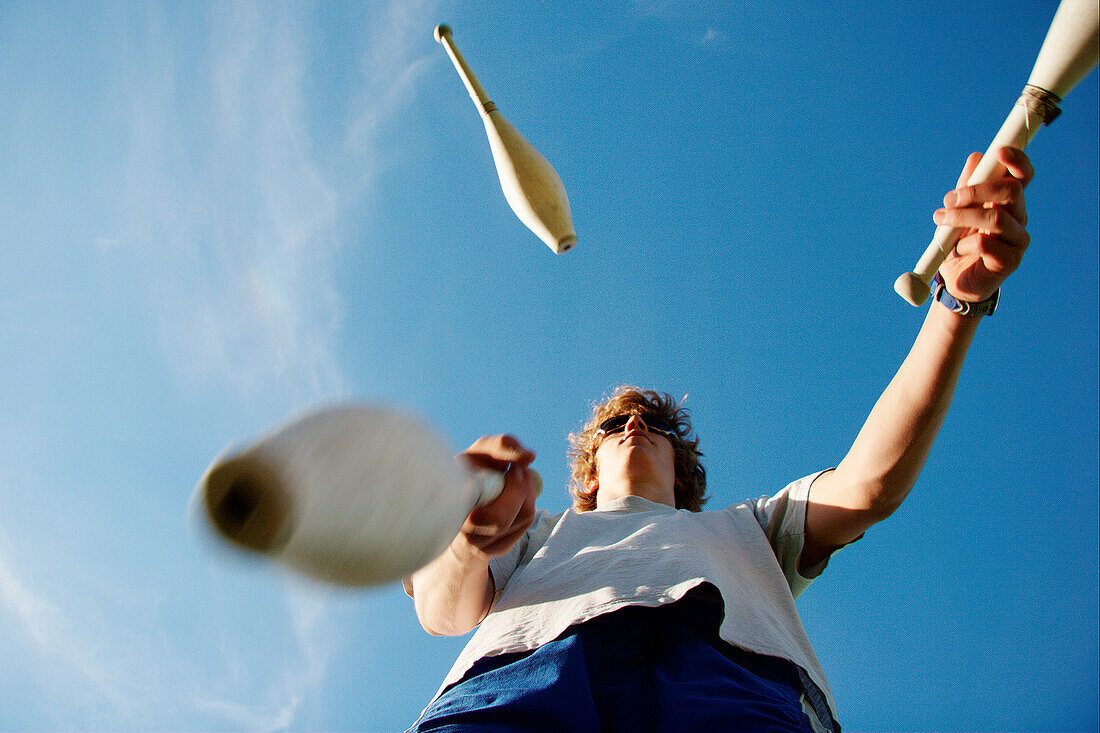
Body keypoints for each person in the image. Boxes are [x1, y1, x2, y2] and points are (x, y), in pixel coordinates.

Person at [403, 147, 1034, 732]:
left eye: (654, 425)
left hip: (738, 684)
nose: (634, 426)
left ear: (682, 469)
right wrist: (465, 538)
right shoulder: (535, 533)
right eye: (616, 426)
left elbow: (869, 486)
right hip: (519, 685)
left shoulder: (755, 530)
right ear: (589, 472)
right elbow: (443, 613)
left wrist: (957, 304)